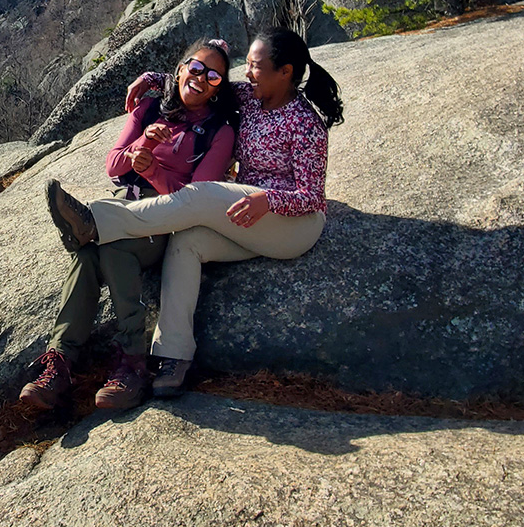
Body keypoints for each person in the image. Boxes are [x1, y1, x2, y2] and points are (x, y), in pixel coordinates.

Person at [46, 27, 343, 399]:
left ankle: (98, 221)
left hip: (292, 227)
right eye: (246, 65)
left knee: (200, 197)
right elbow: (198, 81)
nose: (246, 73)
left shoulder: (305, 123)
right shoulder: (250, 98)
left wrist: (268, 201)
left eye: (254, 66)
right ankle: (173, 355)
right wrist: (151, 79)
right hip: (245, 218)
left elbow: (313, 196)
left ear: (284, 72)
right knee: (187, 242)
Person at [21, 38, 239, 412]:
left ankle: (132, 362)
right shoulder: (150, 107)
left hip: (166, 218)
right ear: (182, 67)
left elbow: (197, 201)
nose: (202, 78)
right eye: (197, 67)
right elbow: (113, 165)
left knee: (106, 246)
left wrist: (152, 169)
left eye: (214, 76)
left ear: (220, 87)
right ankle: (61, 363)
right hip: (126, 202)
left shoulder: (220, 132)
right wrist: (141, 147)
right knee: (89, 256)